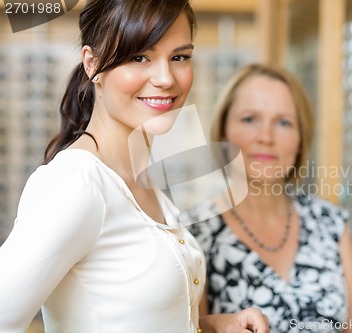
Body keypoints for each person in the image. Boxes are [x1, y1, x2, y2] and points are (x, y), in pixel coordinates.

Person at [0, 1, 269, 332]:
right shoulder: (76, 184)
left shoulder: (141, 179)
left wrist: (210, 326)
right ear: (92, 64)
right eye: (139, 57)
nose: (166, 78)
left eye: (180, 57)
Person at [188, 64, 352, 333]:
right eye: (249, 119)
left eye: (283, 122)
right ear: (223, 133)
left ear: (300, 139)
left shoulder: (331, 223)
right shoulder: (193, 234)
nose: (266, 137)